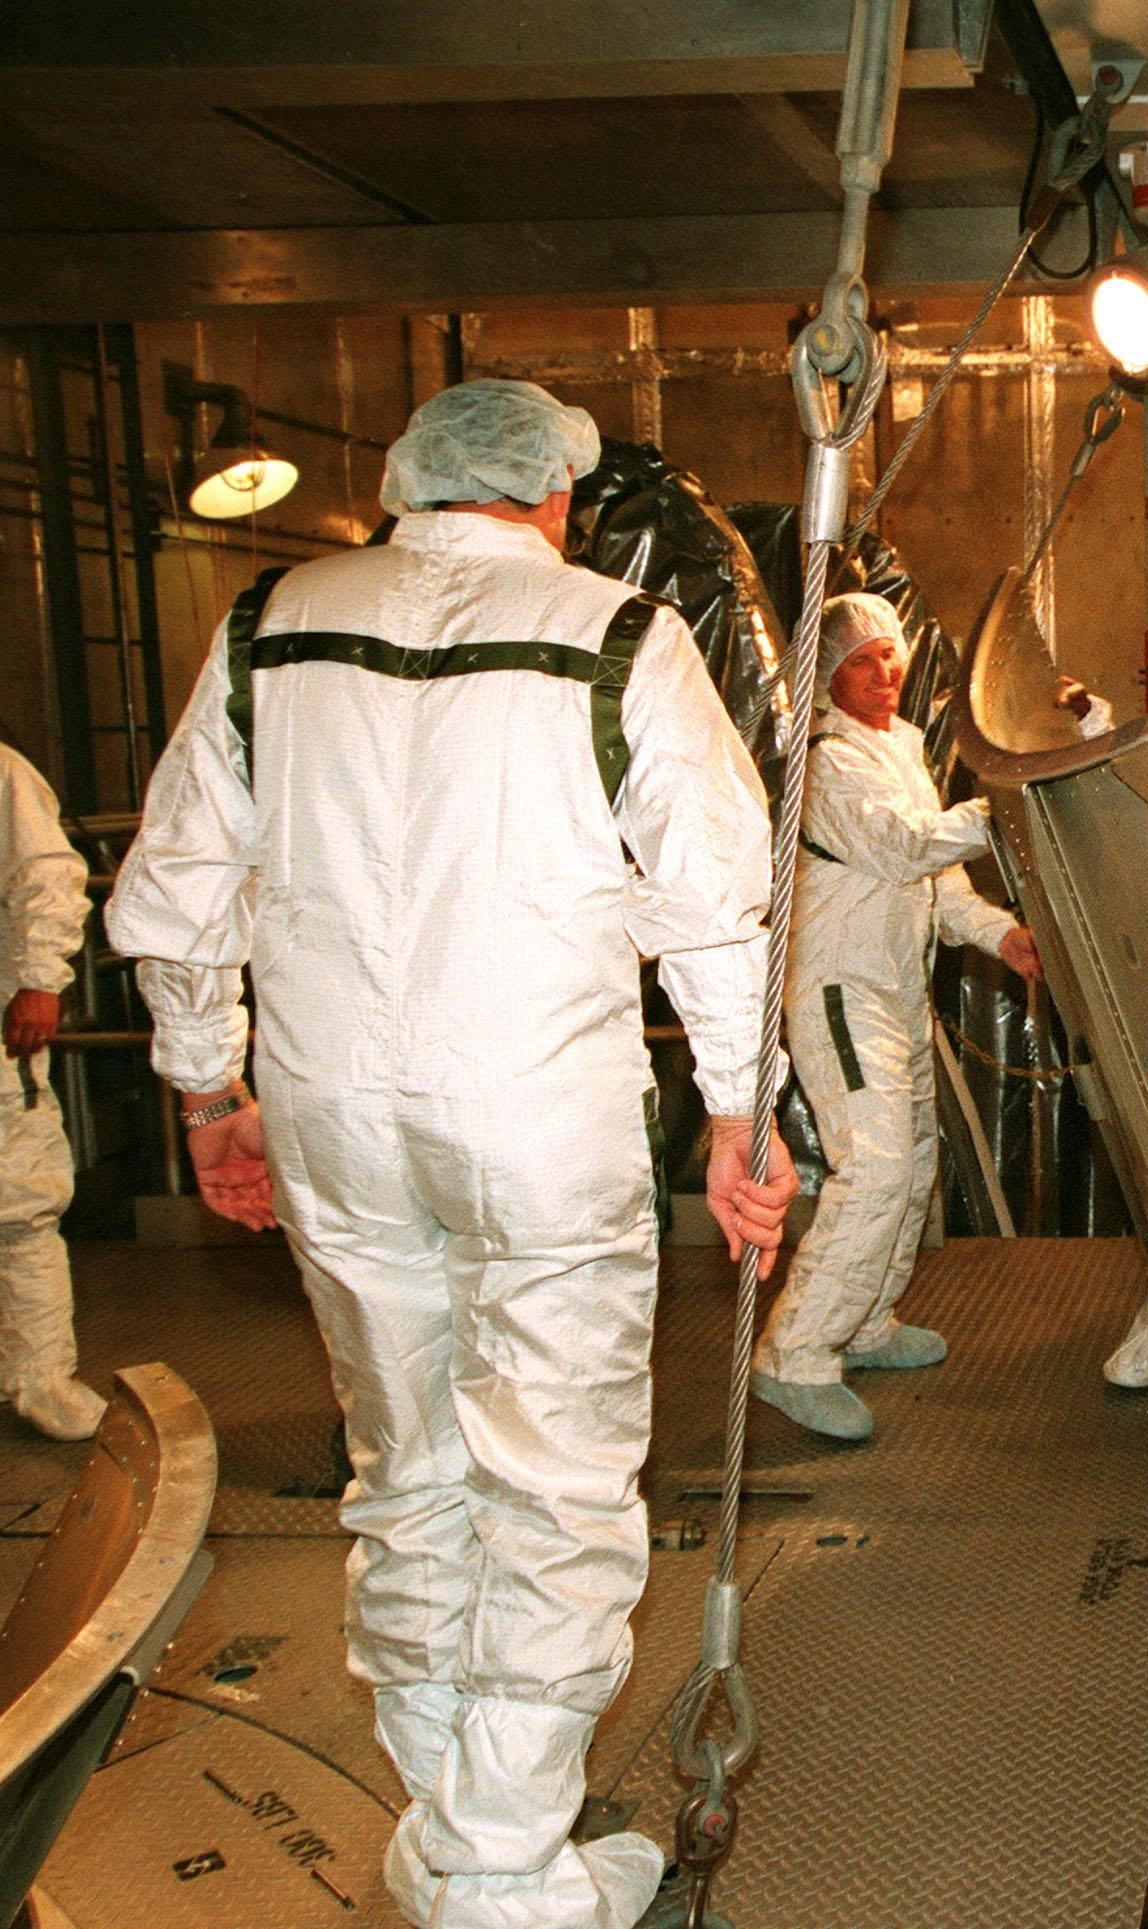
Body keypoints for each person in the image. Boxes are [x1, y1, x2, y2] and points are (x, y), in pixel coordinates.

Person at [106, 377, 798, 1929]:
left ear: (412, 481)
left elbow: (175, 887)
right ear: (556, 492)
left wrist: (209, 1090)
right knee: (550, 1483)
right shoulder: (618, 634)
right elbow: (714, 894)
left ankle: (452, 1819)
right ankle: (503, 1869)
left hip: (334, 1111)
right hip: (535, 1117)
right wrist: (744, 1111)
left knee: (401, 1464)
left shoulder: (270, 625)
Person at [750, 592, 1043, 1440]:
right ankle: (794, 1354)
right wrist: (1008, 805)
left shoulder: (902, 752)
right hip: (840, 989)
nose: (882, 673)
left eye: (889, 656)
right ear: (828, 675)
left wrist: (1002, 936)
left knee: (912, 1163)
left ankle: (864, 1322)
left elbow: (939, 889)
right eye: (860, 661)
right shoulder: (826, 762)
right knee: (872, 1166)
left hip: (896, 987)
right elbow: (904, 846)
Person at [0, 742, 101, 1442]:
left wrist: (40, 978)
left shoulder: (3, 772)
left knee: (18, 1204)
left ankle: (41, 1379)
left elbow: (48, 873)